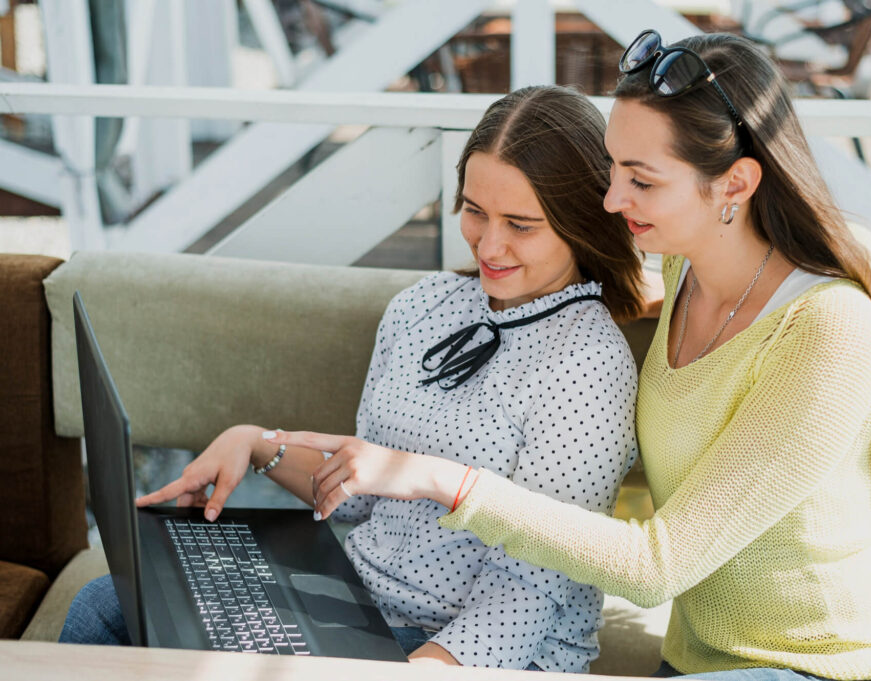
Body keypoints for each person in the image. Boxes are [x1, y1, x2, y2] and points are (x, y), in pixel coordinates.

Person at [270, 33, 871, 681]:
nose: (610, 199)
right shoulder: (687, 267)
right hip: (699, 659)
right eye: (614, 167)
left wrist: (440, 479)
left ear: (736, 186)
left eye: (640, 180)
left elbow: (656, 567)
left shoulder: (828, 330)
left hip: (830, 663)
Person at [59, 85, 646, 672]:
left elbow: (533, 588)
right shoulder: (424, 306)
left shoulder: (587, 362)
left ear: (582, 220)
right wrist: (257, 443)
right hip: (359, 603)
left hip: (478, 649)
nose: (489, 244)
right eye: (474, 210)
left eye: (521, 224)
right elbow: (355, 502)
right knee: (106, 607)